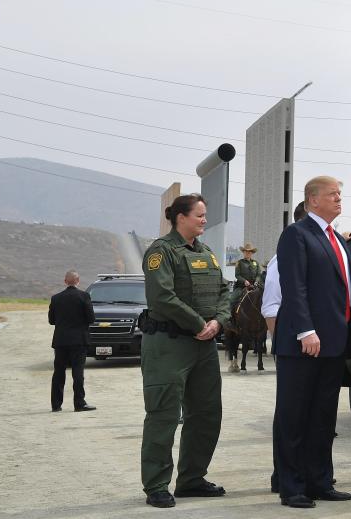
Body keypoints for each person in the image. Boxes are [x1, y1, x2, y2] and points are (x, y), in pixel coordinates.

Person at [140, 193, 230, 509]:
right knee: (164, 414)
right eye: (200, 215)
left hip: (203, 345)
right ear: (181, 217)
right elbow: (162, 297)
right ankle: (156, 485)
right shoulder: (161, 252)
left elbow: (223, 291)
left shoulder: (206, 253)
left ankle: (192, 479)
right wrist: (198, 324)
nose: (205, 220)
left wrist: (218, 321)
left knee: (206, 414)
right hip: (169, 345)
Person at [273, 176, 351, 509]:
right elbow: (295, 287)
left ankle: (320, 481)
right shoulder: (297, 234)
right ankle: (292, 486)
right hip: (303, 343)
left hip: (333, 345)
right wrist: (305, 330)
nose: (339, 199)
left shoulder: (337, 239)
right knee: (294, 417)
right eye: (332, 195)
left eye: (340, 194)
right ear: (312, 200)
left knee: (323, 417)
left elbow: (343, 293)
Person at [262, 199, 310, 495]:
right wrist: (282, 349)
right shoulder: (283, 258)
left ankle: (305, 474)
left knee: (308, 417)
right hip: (293, 348)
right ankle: (282, 475)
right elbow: (270, 308)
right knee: (289, 416)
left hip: (315, 348)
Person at [48, 270, 95, 413]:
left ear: (65, 281)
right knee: (77, 373)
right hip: (79, 341)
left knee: (59, 372)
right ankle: (79, 403)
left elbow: (51, 321)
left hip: (61, 340)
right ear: (78, 280)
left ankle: (56, 404)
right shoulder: (84, 296)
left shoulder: (56, 298)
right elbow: (91, 319)